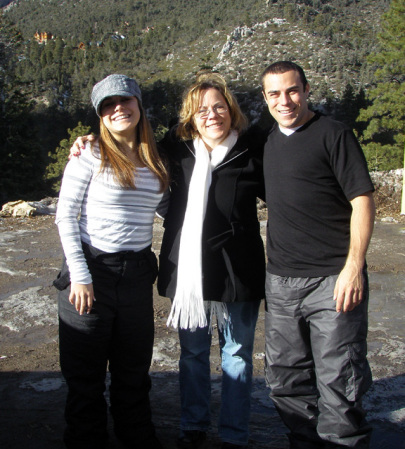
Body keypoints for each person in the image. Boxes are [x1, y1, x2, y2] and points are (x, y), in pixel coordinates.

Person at [261, 61, 375, 449]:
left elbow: (362, 199)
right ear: (265, 98)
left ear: (307, 90)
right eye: (275, 93)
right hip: (280, 283)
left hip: (332, 280)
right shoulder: (265, 141)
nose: (285, 100)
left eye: (292, 90)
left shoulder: (333, 134)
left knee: (340, 383)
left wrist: (354, 268)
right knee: (285, 380)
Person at [55, 74, 169, 449]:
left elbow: (172, 211)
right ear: (100, 116)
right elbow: (65, 216)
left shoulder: (156, 162)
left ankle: (138, 439)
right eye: (107, 104)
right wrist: (80, 276)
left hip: (136, 276)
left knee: (133, 373)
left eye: (124, 100)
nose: (118, 108)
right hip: (92, 273)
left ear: (139, 104)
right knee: (85, 377)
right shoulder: (89, 154)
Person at [157, 73, 266, 449]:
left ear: (231, 109)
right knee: (193, 353)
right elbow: (132, 154)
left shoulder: (252, 149)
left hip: (239, 268)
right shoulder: (175, 148)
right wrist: (86, 144)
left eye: (219, 106)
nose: (212, 114)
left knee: (237, 354)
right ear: (190, 115)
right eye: (201, 109)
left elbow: (288, 186)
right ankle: (194, 425)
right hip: (189, 270)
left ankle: (234, 434)